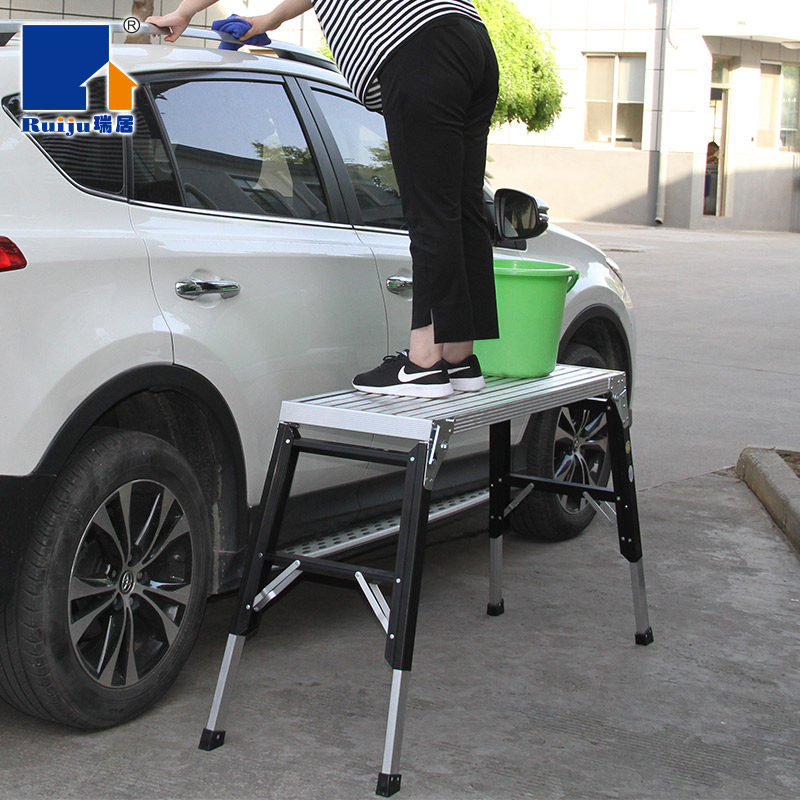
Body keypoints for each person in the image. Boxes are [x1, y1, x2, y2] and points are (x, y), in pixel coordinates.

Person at [147, 0, 500, 398]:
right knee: (461, 206)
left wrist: (184, 11)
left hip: (417, 43)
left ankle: (423, 364)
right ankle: (457, 357)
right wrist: (267, 20)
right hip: (469, 39)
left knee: (431, 210)